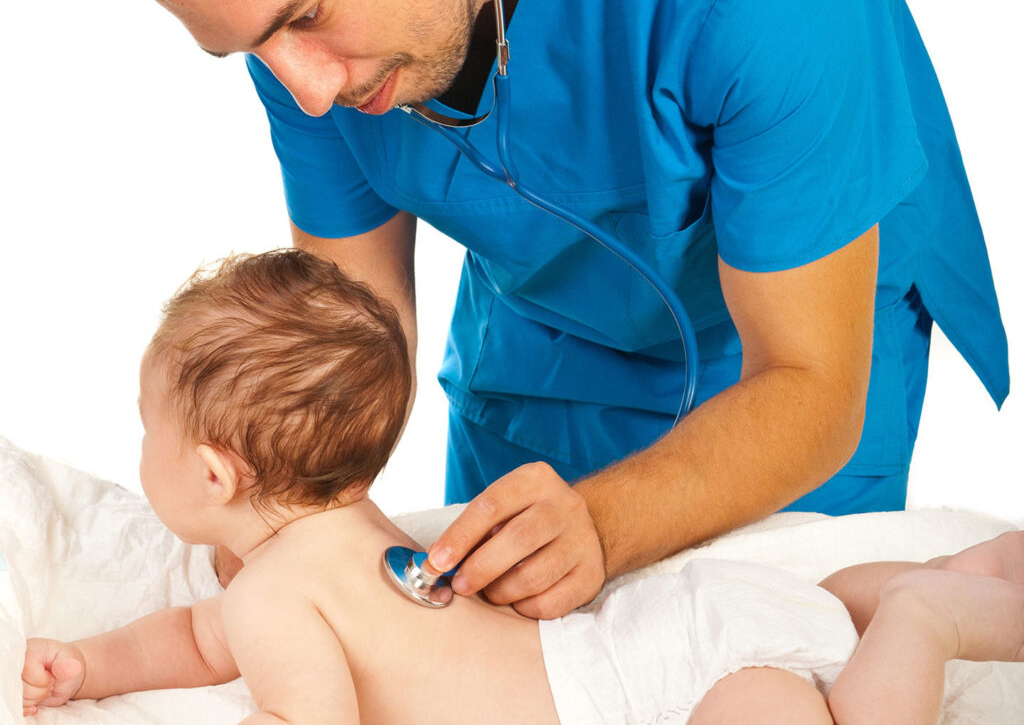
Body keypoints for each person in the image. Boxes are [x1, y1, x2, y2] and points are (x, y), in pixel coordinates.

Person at [90, 0, 1009, 617]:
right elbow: (348, 336)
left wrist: (606, 526)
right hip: (539, 358)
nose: (309, 92)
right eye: (253, 47)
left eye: (305, 18)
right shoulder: (296, 20)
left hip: (782, 367)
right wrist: (281, 517)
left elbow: (809, 380)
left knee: (775, 661)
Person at [20, 249, 1024, 724]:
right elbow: (199, 639)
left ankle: (924, 615)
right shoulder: (338, 532)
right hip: (647, 635)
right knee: (801, 612)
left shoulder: (277, 595)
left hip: (662, 694)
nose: (137, 445)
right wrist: (92, 665)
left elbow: (300, 715)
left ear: (210, 471)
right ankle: (950, 568)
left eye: (147, 424)